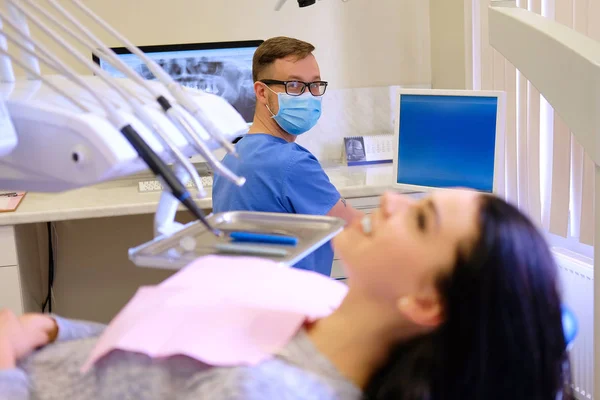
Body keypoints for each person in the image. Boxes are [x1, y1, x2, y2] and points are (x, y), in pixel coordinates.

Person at [0, 190, 572, 400]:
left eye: (420, 220)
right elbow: (153, 350)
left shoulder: (268, 389)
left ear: (425, 304)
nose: (391, 201)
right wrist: (48, 330)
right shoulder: (315, 301)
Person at [212, 36, 363, 277]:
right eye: (294, 85)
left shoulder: (231, 157)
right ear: (262, 92)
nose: (309, 95)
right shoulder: (291, 163)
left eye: (314, 85)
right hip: (294, 304)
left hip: (251, 300)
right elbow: (358, 228)